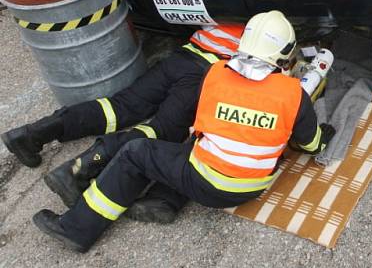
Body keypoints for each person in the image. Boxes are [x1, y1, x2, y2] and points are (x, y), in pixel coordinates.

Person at [32, 11, 334, 252]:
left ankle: (76, 229)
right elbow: (309, 145)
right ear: (286, 54)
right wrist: (325, 136)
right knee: (197, 152)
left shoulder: (216, 73)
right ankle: (165, 202)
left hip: (205, 182)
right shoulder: (294, 92)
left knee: (137, 153)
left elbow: (201, 131)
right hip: (251, 189)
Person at [2, 24, 244, 170]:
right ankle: (78, 170)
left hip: (184, 55)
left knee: (117, 108)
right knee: (163, 132)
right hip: (207, 72)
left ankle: (30, 134)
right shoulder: (276, 18)